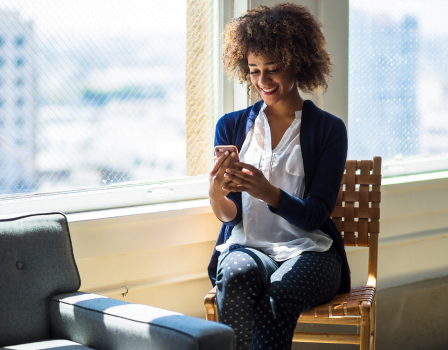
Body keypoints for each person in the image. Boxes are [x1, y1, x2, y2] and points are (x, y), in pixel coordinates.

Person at [207, 3, 350, 350]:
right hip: (250, 247)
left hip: (311, 252)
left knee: (281, 293)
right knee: (236, 276)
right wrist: (215, 195)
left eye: (273, 69)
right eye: (254, 70)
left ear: (298, 63)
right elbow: (234, 215)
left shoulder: (328, 130)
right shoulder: (231, 126)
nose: (263, 81)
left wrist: (268, 192)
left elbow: (316, 214)